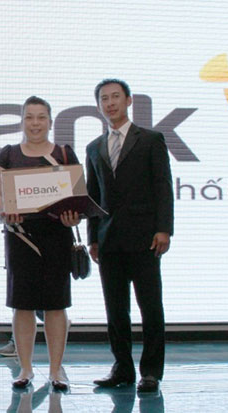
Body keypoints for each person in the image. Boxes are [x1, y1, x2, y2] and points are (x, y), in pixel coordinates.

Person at [86, 79, 174, 393]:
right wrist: (92, 238)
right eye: (104, 99)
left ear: (128, 100)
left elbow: (163, 186)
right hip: (108, 241)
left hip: (145, 237)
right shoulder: (93, 147)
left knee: (150, 308)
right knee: (115, 310)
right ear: (99, 105)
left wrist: (164, 229)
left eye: (115, 97)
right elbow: (92, 195)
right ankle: (122, 368)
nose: (110, 103)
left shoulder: (151, 139)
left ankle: (150, 372)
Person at [0, 96, 80, 391]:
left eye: (41, 117)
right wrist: (4, 210)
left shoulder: (65, 153)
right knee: (22, 305)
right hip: (20, 237)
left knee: (56, 305)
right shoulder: (8, 154)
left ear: (50, 121)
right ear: (22, 121)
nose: (35, 123)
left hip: (57, 237)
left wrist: (73, 217)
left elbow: (77, 197)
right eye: (29, 117)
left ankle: (56, 371)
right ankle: (25, 369)